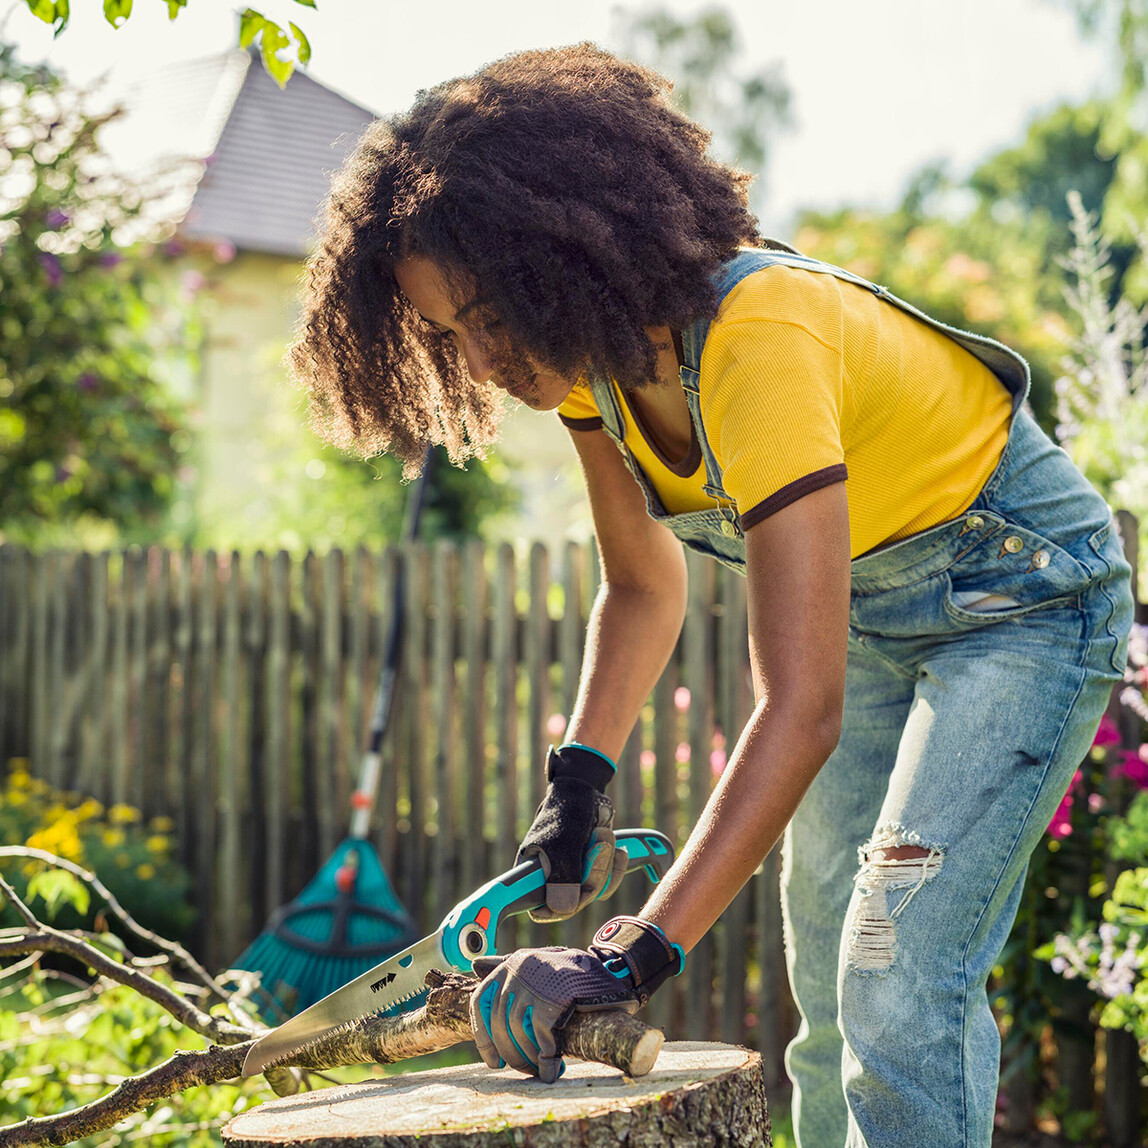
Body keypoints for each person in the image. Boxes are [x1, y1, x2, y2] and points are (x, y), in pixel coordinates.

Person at [286, 42, 1134, 1148]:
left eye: (489, 314)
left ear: (561, 259)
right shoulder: (591, 373)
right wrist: (575, 789)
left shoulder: (757, 338)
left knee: (892, 970)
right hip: (877, 618)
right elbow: (642, 588)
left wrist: (624, 957)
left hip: (1024, 603)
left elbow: (801, 706)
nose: (480, 360)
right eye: (450, 333)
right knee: (826, 979)